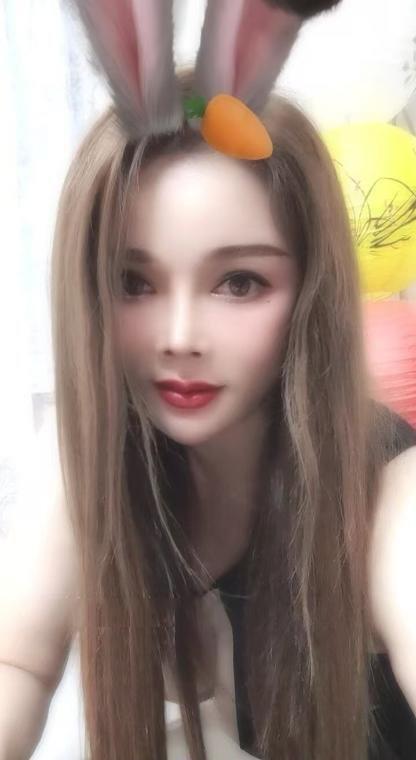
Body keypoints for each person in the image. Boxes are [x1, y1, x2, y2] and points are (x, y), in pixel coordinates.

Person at [0, 1, 415, 759]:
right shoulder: (97, 460)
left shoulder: (391, 492)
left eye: (240, 283)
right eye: (133, 283)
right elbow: (15, 663)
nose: (180, 338)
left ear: (309, 291)